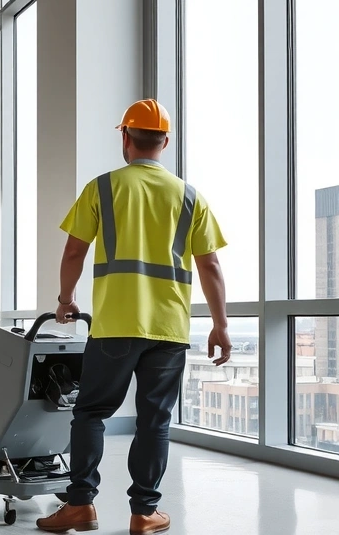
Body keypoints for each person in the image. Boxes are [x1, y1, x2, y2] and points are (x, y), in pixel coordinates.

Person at [37, 99, 232, 535]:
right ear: (164, 141)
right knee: (154, 420)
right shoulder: (189, 197)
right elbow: (210, 266)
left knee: (90, 413)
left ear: (125, 137)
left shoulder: (102, 188)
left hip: (114, 326)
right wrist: (220, 324)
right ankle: (144, 513)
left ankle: (80, 505)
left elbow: (74, 251)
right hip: (168, 328)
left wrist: (65, 300)